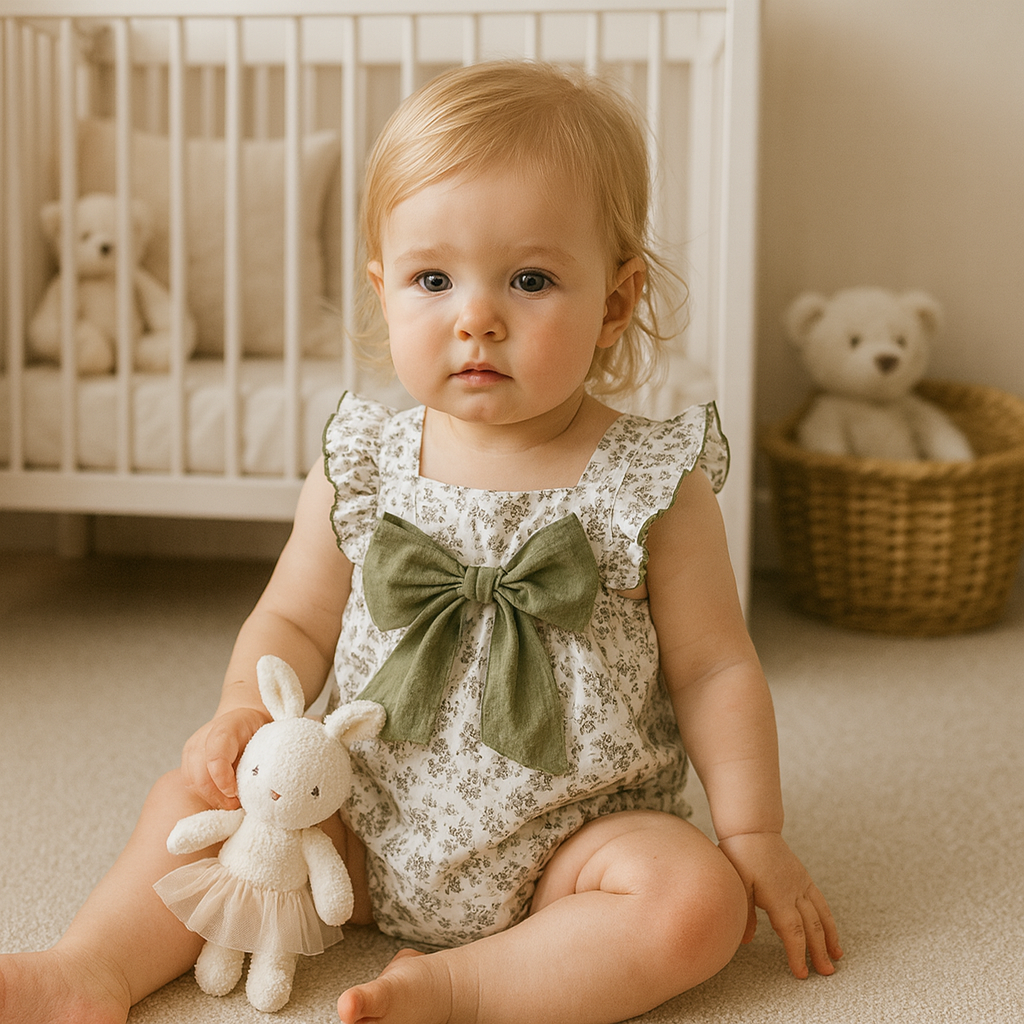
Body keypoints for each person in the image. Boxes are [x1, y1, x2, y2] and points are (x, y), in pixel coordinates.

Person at [0, 61, 841, 1024]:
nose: (474, 316)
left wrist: (754, 830)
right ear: (384, 289)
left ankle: (466, 989)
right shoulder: (365, 460)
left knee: (696, 903)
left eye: (530, 279)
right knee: (187, 808)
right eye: (432, 279)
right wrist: (242, 708)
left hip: (575, 848)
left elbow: (715, 671)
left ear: (615, 301)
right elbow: (292, 616)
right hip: (352, 817)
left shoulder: (655, 483)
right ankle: (90, 968)